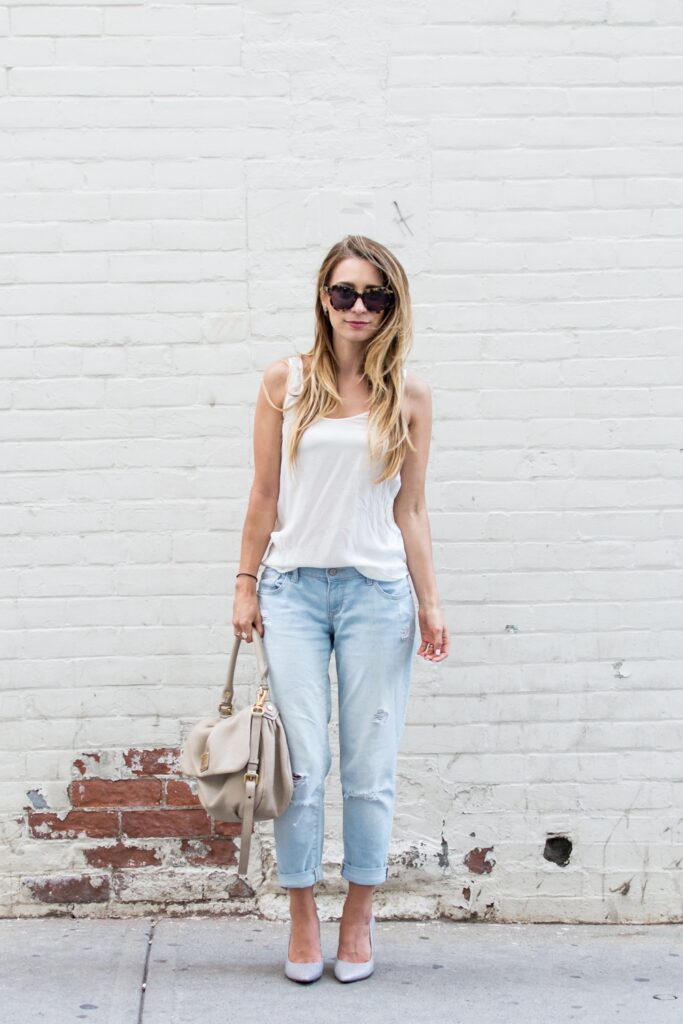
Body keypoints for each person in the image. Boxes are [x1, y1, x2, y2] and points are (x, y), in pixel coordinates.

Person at [232, 234, 449, 983]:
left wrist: (430, 603)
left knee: (368, 766)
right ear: (322, 297)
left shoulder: (408, 394)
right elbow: (264, 493)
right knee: (300, 766)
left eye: (374, 296)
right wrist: (243, 582)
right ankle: (300, 915)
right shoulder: (283, 382)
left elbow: (411, 510)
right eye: (344, 293)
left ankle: (358, 915)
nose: (358, 308)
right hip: (291, 592)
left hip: (376, 595)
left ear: (392, 307)